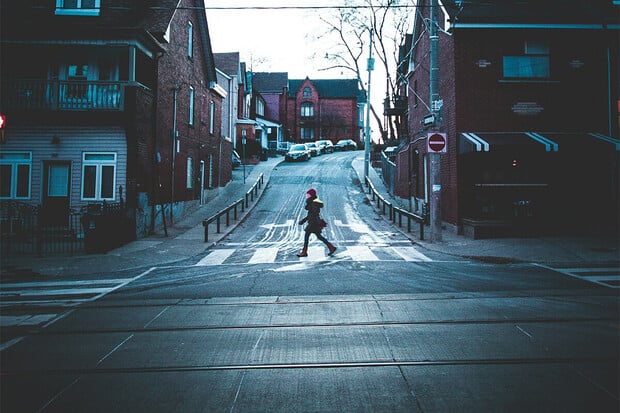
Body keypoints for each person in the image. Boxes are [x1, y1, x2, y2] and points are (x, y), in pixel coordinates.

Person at [297, 188, 337, 257]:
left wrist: (309, 222)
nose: (307, 196)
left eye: (308, 194)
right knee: (319, 236)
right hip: (314, 223)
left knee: (307, 236)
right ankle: (331, 247)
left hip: (313, 223)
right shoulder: (312, 202)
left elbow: (314, 214)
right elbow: (311, 214)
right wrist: (304, 220)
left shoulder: (313, 203)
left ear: (311, 195)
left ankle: (304, 252)